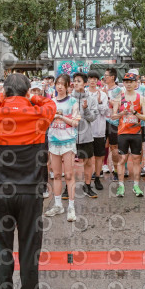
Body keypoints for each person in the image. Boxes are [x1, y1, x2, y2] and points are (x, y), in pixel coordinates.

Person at [0, 73, 55, 289]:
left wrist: (4, 98)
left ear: (5, 92)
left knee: (1, 247)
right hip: (30, 191)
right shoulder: (39, 113)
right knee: (29, 246)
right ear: (27, 92)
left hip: (0, 191)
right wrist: (33, 98)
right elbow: (50, 103)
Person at [45, 74, 80, 221]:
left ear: (67, 86)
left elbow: (75, 122)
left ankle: (71, 207)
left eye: (62, 84)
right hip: (54, 142)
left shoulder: (73, 102)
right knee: (57, 175)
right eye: (57, 83)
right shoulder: (51, 102)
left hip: (68, 142)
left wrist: (61, 117)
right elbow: (45, 121)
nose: (59, 86)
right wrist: (51, 117)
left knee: (69, 175)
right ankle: (58, 205)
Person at [110, 73, 145, 198]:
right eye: (126, 82)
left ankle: (136, 186)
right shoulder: (119, 98)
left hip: (136, 134)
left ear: (136, 83)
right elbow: (113, 116)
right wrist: (122, 113)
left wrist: (135, 112)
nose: (128, 84)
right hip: (123, 133)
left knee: (137, 160)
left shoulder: (141, 98)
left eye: (131, 82)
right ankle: (121, 186)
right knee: (122, 160)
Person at [71, 72, 98, 199]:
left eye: (79, 81)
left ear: (85, 83)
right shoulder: (69, 98)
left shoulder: (91, 99)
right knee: (69, 163)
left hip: (86, 136)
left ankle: (87, 186)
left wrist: (86, 108)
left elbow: (92, 118)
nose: (76, 83)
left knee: (88, 162)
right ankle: (68, 187)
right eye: (74, 81)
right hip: (70, 136)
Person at [86, 70, 109, 190]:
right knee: (87, 157)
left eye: (95, 79)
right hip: (86, 131)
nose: (92, 81)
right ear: (87, 80)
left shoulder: (103, 95)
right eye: (91, 78)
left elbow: (105, 111)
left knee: (99, 156)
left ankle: (97, 178)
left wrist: (99, 102)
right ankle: (87, 180)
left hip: (99, 130)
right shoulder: (83, 94)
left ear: (98, 81)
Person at [104, 68, 122, 180]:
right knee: (102, 145)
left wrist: (107, 97)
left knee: (114, 146)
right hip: (102, 121)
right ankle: (101, 168)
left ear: (112, 77)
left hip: (113, 122)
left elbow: (118, 105)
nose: (104, 77)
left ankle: (116, 171)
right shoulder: (102, 88)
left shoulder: (119, 90)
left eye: (106, 75)